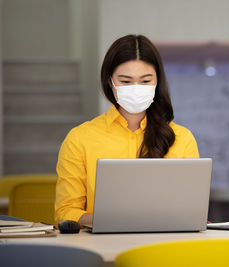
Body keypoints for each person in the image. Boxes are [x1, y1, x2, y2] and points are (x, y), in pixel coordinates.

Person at [55, 34, 199, 226]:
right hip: (102, 247)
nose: (136, 88)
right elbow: (65, 212)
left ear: (157, 81)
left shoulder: (182, 138)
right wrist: (115, 220)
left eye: (145, 81)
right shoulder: (79, 139)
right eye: (125, 81)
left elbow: (192, 210)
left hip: (165, 246)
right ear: (109, 81)